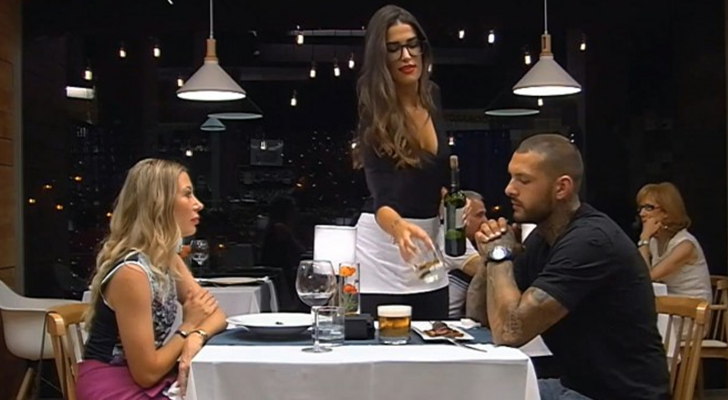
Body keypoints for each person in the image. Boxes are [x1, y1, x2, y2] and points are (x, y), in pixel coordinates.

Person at [474, 134, 669, 400]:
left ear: (561, 188)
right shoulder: (542, 239)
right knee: (474, 392)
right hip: (575, 387)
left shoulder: (590, 242)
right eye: (511, 177)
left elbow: (509, 332)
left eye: (523, 180)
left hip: (618, 395)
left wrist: (499, 255)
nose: (509, 189)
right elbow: (480, 317)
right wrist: (490, 254)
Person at [77, 159, 227, 399]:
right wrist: (187, 328)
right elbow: (146, 373)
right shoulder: (132, 273)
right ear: (159, 205)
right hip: (112, 384)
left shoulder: (166, 258)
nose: (198, 204)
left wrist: (196, 336)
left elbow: (216, 315)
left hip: (150, 379)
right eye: (187, 194)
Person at [354, 4, 450, 320]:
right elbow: (382, 198)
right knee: (384, 342)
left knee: (436, 335)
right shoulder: (375, 115)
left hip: (427, 243)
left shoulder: (432, 96)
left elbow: (430, 173)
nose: (406, 56)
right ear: (381, 58)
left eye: (412, 45)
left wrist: (446, 198)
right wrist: (398, 229)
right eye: (393, 49)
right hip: (384, 247)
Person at [636, 182, 711, 302]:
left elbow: (647, 277)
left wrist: (644, 238)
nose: (642, 214)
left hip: (692, 306)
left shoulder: (685, 245)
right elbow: (638, 274)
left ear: (666, 212)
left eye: (649, 208)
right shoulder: (654, 242)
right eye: (641, 208)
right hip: (667, 302)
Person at [441, 190, 487, 318]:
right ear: (461, 216)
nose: (485, 221)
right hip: (445, 321)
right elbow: (490, 271)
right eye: (479, 215)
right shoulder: (451, 240)